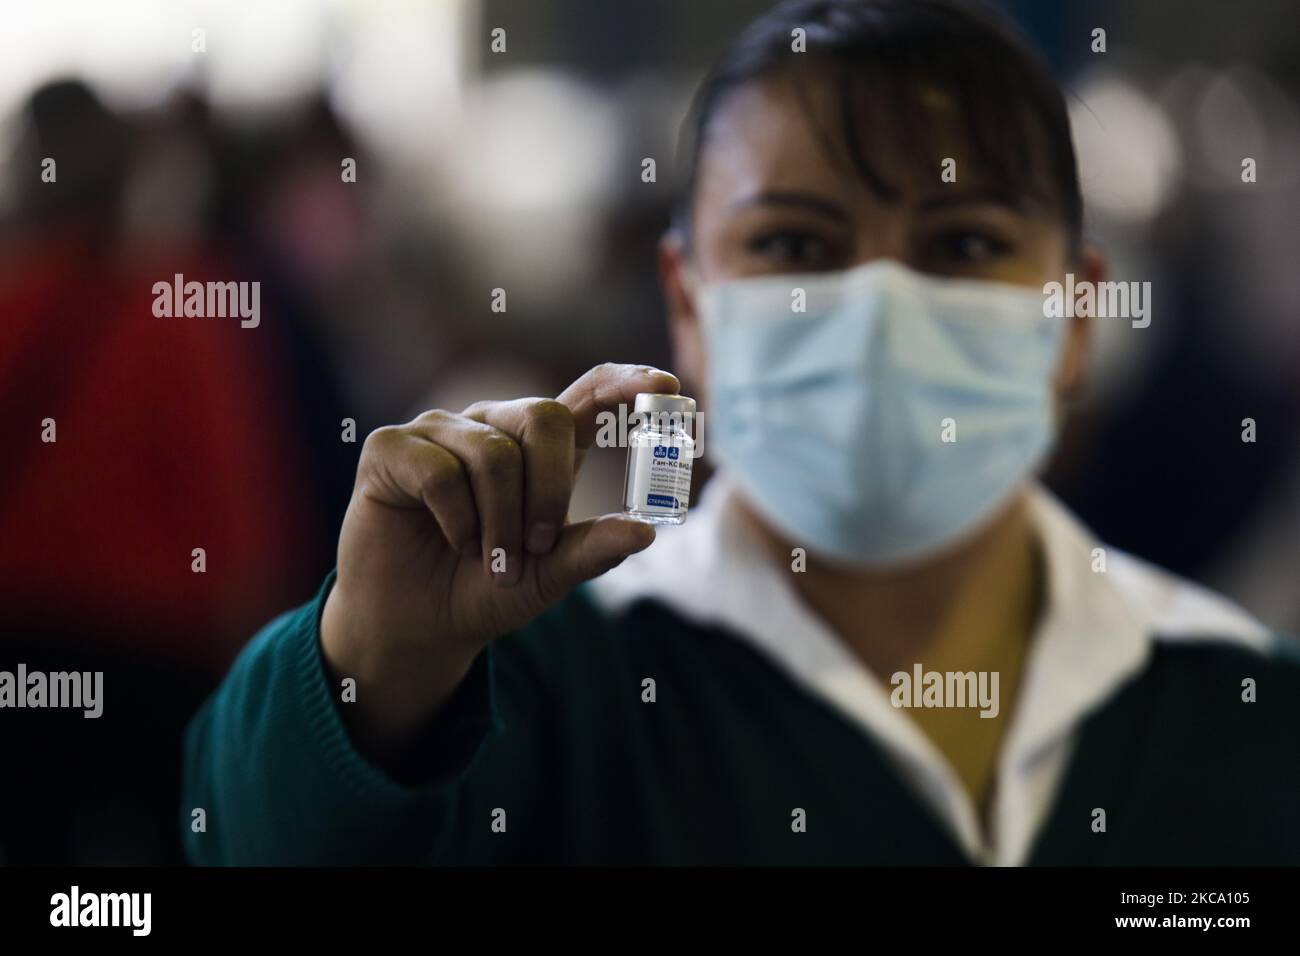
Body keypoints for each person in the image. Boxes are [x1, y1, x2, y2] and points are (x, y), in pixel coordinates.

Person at [182, 0, 1300, 865]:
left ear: (1071, 319)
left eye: (960, 247)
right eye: (796, 246)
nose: (873, 312)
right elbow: (252, 838)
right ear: (687, 302)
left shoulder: (1238, 706)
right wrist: (374, 660)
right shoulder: (522, 684)